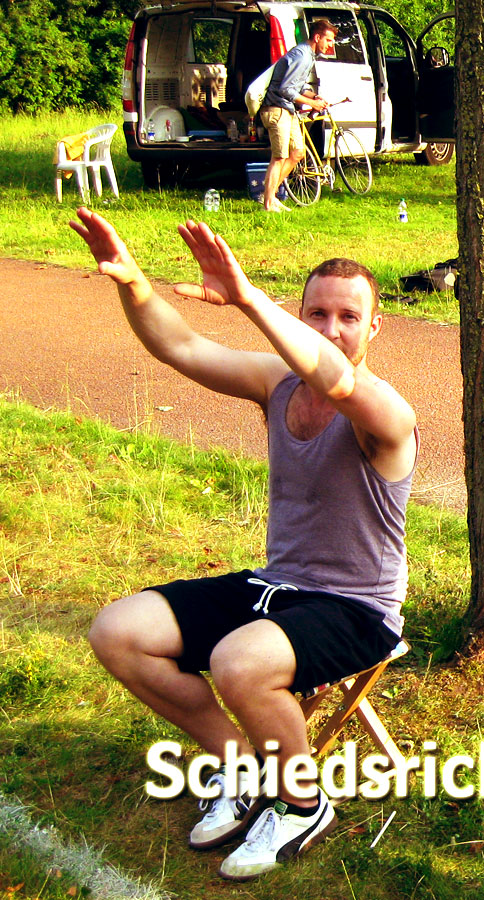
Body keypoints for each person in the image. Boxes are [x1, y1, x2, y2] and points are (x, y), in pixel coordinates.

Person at [72, 209, 417, 881]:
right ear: (301, 315)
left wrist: (249, 298)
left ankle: (301, 803)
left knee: (238, 662)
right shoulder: (275, 381)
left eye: (349, 317)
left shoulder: (385, 412)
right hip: (278, 586)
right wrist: (133, 282)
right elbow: (180, 346)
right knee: (118, 632)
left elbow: (340, 381)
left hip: (356, 609)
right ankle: (243, 766)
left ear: (375, 327)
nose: (330, 329)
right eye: (316, 313)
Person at [259, 19, 335, 213]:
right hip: (277, 109)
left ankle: (270, 195)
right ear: (317, 37)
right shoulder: (301, 55)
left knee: (297, 153)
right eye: (328, 40)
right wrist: (311, 104)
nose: (330, 45)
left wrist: (315, 97)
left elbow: (298, 87)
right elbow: (285, 89)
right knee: (279, 157)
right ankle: (268, 204)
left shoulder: (309, 56)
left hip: (288, 109)